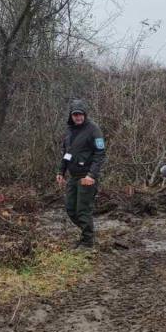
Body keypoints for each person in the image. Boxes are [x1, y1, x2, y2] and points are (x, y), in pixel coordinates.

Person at [56, 99, 106, 248]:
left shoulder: (93, 129)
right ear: (71, 116)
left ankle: (87, 242)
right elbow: (67, 153)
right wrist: (61, 171)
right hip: (73, 176)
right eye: (75, 115)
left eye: (80, 114)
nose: (78, 117)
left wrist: (91, 175)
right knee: (71, 209)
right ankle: (88, 233)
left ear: (85, 114)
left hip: (87, 177)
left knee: (83, 210)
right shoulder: (70, 131)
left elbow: (100, 153)